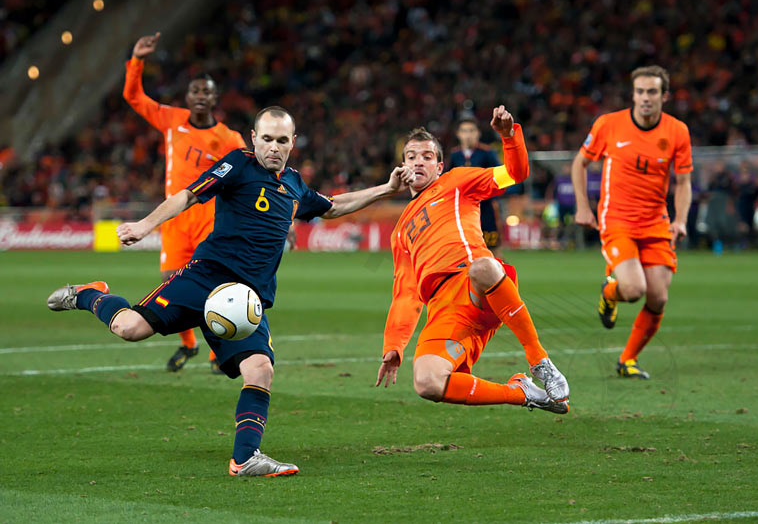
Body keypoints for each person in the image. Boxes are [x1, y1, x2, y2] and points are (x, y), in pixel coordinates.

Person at [47, 106, 415, 477]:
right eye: (267, 138)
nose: (273, 147)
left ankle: (245, 458)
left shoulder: (295, 185)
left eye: (282, 140)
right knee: (129, 328)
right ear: (254, 138)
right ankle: (88, 294)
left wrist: (387, 188)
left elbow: (334, 206)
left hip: (244, 298)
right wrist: (145, 225)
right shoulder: (237, 164)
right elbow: (189, 196)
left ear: (293, 143)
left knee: (260, 368)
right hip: (204, 277)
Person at [376, 106, 569, 413]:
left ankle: (539, 360)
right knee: (426, 382)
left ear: (440, 166)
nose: (418, 161)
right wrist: (394, 347)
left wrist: (508, 137)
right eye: (411, 156)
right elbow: (406, 293)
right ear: (402, 167)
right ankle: (521, 393)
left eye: (427, 156)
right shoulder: (399, 233)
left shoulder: (457, 181)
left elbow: (515, 174)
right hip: (444, 311)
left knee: (483, 265)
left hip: (476, 285)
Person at [123, 32, 246, 374]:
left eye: (207, 91)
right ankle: (188, 344)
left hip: (209, 216)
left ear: (215, 98)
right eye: (195, 91)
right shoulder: (171, 119)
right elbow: (133, 97)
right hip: (174, 217)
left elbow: (245, 176)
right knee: (170, 279)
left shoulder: (229, 139)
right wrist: (137, 60)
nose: (201, 96)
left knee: (211, 283)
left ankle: (216, 353)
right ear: (188, 97)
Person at [571, 65, 693, 379]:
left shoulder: (677, 131)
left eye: (652, 92)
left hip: (656, 223)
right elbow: (580, 163)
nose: (645, 98)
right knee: (635, 289)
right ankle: (611, 292)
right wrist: (583, 206)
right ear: (633, 94)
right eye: (640, 91)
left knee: (659, 297)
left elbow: (683, 183)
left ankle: (627, 360)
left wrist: (680, 220)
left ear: (664, 96)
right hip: (617, 220)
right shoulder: (609, 124)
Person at [449, 117, 504, 258]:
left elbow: (499, 175)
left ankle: (501, 277)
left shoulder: (487, 153)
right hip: (462, 210)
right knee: (462, 250)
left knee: (492, 248)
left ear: (478, 133)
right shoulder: (454, 155)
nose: (468, 135)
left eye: (471, 131)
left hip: (485, 208)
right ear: (458, 134)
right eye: (464, 131)